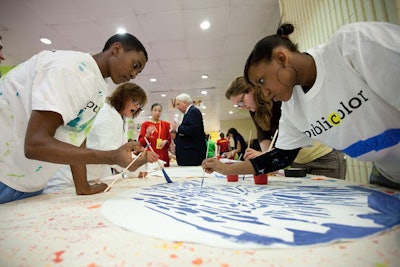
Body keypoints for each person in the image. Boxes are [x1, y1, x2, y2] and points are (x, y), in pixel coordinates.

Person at [203, 22, 400, 189]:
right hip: (388, 175)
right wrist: (227, 169)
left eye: (262, 81)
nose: (265, 93)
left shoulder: (352, 44)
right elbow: (280, 157)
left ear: (281, 58)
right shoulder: (291, 108)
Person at [0, 32, 159, 204]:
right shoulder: (71, 69)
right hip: (5, 174)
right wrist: (111, 156)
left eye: (139, 71)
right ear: (116, 49)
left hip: (30, 183)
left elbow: (76, 134)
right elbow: (35, 144)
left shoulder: (98, 87)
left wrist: (82, 186)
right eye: (135, 65)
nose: (134, 75)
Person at [225, 76, 347, 179]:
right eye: (238, 106)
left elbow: (293, 139)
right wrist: (266, 157)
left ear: (251, 89)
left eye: (241, 102)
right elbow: (264, 136)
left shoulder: (278, 97)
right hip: (297, 162)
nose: (242, 107)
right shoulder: (254, 110)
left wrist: (266, 157)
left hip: (324, 157)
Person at [45, 82, 150, 193]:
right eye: (134, 101)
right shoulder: (105, 112)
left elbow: (110, 153)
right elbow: (105, 151)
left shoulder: (119, 118)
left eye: (139, 104)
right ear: (123, 97)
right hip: (69, 180)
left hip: (91, 179)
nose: (136, 106)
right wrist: (133, 169)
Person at [171, 93, 206, 166]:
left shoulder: (193, 111)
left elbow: (193, 130)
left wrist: (178, 127)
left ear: (185, 103)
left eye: (178, 104)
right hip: (189, 155)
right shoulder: (188, 113)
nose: (177, 107)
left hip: (192, 155)